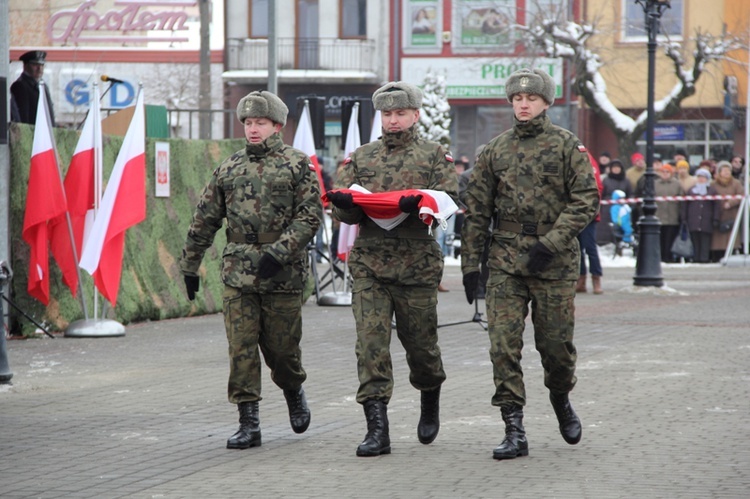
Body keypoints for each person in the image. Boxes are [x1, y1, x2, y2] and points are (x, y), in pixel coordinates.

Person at [460, 68, 598, 460]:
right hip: (505, 261)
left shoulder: (567, 147)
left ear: (545, 103)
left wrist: (551, 242)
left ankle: (560, 397)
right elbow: (476, 213)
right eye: (518, 99)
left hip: (553, 263)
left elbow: (586, 200)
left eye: (531, 99)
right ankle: (513, 428)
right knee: (502, 346)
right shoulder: (494, 151)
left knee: (555, 348)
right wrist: (471, 266)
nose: (524, 105)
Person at [180, 91, 322, 449]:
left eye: (260, 122)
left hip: (282, 274)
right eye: (247, 123)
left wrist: (282, 250)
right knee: (241, 348)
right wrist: (190, 264)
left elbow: (310, 215)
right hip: (238, 272)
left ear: (277, 125)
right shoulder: (229, 167)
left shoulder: (297, 163)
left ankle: (293, 389)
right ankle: (249, 422)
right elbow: (204, 218)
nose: (253, 129)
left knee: (283, 351)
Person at [327, 81, 458, 457]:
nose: (394, 120)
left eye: (401, 113)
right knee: (370, 345)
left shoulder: (435, 156)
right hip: (370, 263)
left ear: (416, 115)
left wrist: (417, 206)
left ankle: (429, 392)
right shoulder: (361, 158)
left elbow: (450, 200)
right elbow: (345, 206)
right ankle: (377, 429)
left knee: (421, 347)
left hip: (416, 264)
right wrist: (345, 205)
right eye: (387, 114)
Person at [577, 153, 604, 294]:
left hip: (589, 214)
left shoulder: (587, 158)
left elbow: (597, 187)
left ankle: (596, 278)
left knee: (590, 248)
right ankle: (581, 280)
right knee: (577, 248)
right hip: (574, 214)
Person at [681, 169, 719, 263]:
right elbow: (685, 205)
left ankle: (704, 259)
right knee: (695, 240)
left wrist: (715, 218)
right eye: (699, 177)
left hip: (706, 221)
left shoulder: (712, 191)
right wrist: (684, 218)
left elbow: (716, 206)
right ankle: (696, 258)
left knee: (705, 241)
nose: (701, 179)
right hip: (693, 220)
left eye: (703, 177)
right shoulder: (691, 190)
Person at [710, 161, 744, 262]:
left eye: (728, 170)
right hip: (718, 215)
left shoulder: (736, 183)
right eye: (724, 170)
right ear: (719, 172)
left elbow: (741, 196)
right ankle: (717, 258)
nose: (727, 172)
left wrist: (731, 202)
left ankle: (732, 256)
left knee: (731, 238)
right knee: (718, 240)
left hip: (732, 215)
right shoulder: (713, 184)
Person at [10, 50, 55, 126]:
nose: (39, 68)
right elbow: (23, 118)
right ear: (26, 66)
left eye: (42, 65)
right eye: (35, 65)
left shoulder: (43, 86)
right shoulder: (20, 86)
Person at [652, 164, 684, 263]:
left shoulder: (677, 184)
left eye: (667, 172)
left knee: (670, 239)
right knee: (659, 239)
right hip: (659, 216)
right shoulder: (655, 184)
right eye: (663, 172)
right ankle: (660, 258)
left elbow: (682, 198)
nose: (665, 174)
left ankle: (669, 258)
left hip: (672, 216)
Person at [597, 159, 632, 245]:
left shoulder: (626, 181)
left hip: (622, 209)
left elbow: (630, 194)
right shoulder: (606, 180)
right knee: (606, 227)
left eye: (618, 168)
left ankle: (620, 242)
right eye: (614, 168)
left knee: (621, 225)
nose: (616, 169)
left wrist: (628, 203)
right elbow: (602, 193)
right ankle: (604, 243)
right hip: (607, 208)